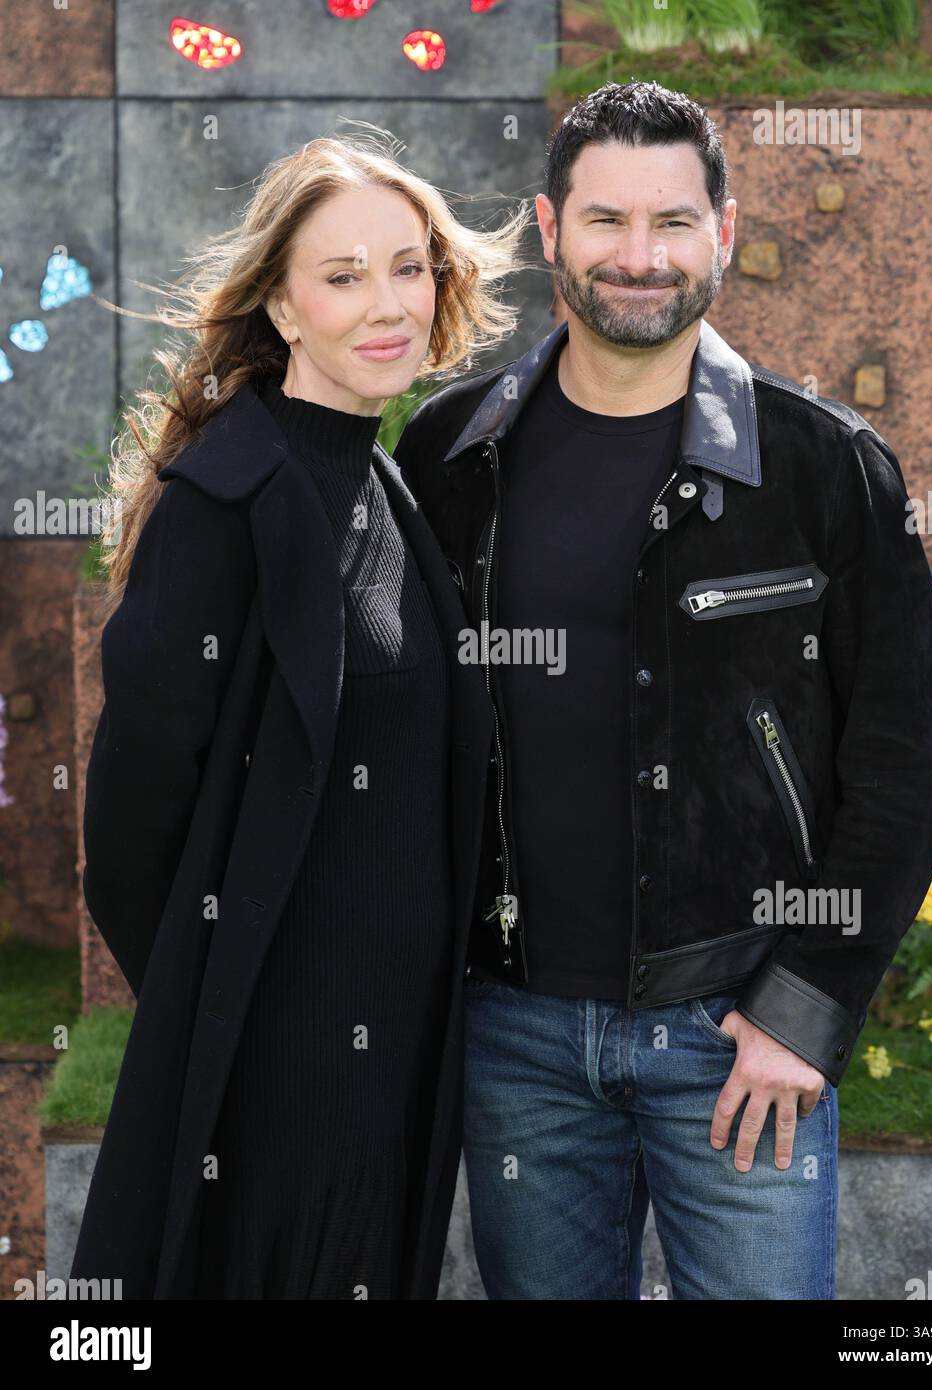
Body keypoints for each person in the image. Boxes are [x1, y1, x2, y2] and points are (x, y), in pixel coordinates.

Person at [393, 81, 932, 1299]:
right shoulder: (445, 459)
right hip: (517, 1039)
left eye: (672, 223)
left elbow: (905, 767)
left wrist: (807, 1004)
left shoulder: (825, 468)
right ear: (550, 231)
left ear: (727, 234)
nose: (638, 258)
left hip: (741, 1031)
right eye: (605, 222)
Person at [70, 124, 528, 1299]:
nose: (388, 304)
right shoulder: (226, 498)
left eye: (409, 266)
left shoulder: (381, 477)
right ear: (282, 308)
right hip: (275, 1083)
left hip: (393, 1069)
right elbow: (131, 830)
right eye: (343, 275)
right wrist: (232, 1000)